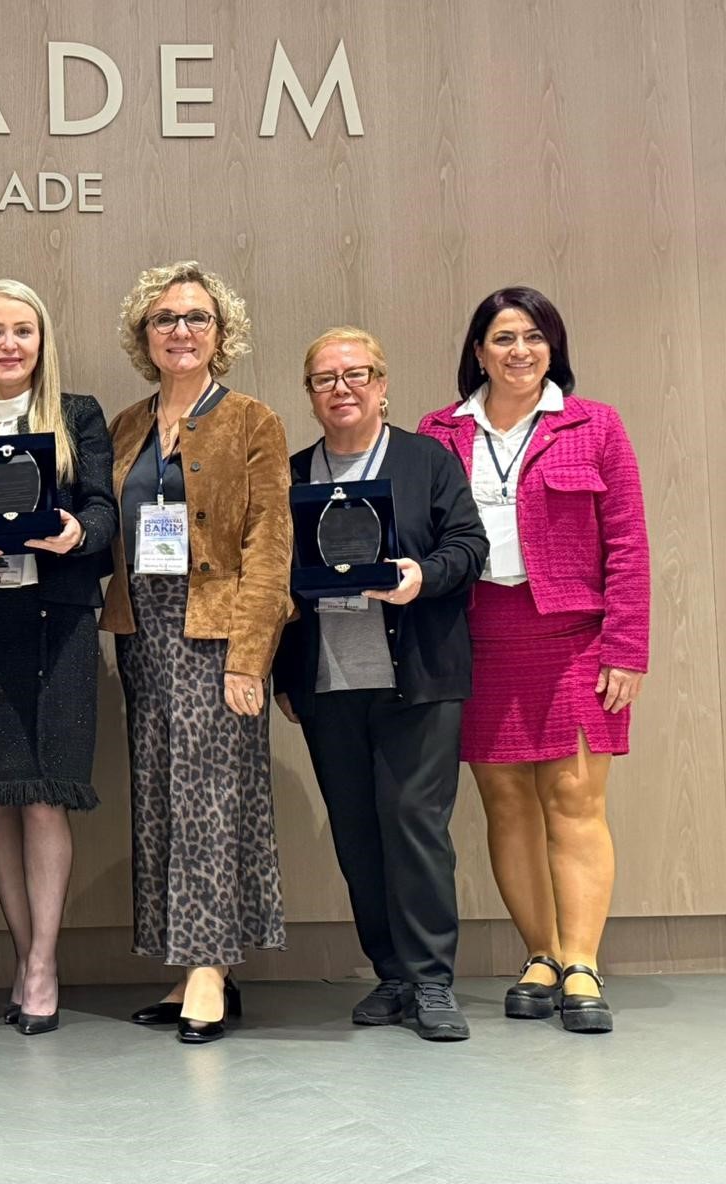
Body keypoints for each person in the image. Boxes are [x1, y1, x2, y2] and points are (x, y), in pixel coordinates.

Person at [419, 287, 649, 1034]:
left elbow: (628, 543)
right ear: (478, 352)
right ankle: (541, 955)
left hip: (575, 639)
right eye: (503, 338)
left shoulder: (594, 425)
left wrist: (626, 647)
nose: (520, 351)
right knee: (507, 803)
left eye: (534, 337)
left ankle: (582, 963)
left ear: (554, 348)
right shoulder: (439, 432)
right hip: (477, 637)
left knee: (575, 802)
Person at [271, 327, 488, 1041]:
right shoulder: (291, 474)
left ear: (383, 384)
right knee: (357, 831)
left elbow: (470, 546)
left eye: (356, 374)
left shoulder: (428, 462)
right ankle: (391, 973)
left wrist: (423, 575)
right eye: (325, 378)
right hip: (328, 681)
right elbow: (273, 580)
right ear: (310, 394)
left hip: (418, 677)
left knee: (415, 824)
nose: (342, 388)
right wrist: (284, 675)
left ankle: (431, 981)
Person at [100, 260, 292, 1045]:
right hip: (143, 631)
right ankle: (189, 963)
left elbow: (270, 548)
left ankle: (212, 967)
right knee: (160, 794)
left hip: (217, 632)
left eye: (196, 318)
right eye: (165, 319)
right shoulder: (126, 425)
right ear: (144, 335)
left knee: (211, 795)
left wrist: (250, 657)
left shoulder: (253, 421)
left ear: (221, 332)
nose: (181, 331)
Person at [0, 280, 116, 1035]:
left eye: (22, 331)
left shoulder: (78, 416)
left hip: (56, 628)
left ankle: (43, 963)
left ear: (43, 341)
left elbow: (103, 510)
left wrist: (75, 533)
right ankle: (22, 954)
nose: (9, 345)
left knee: (44, 795)